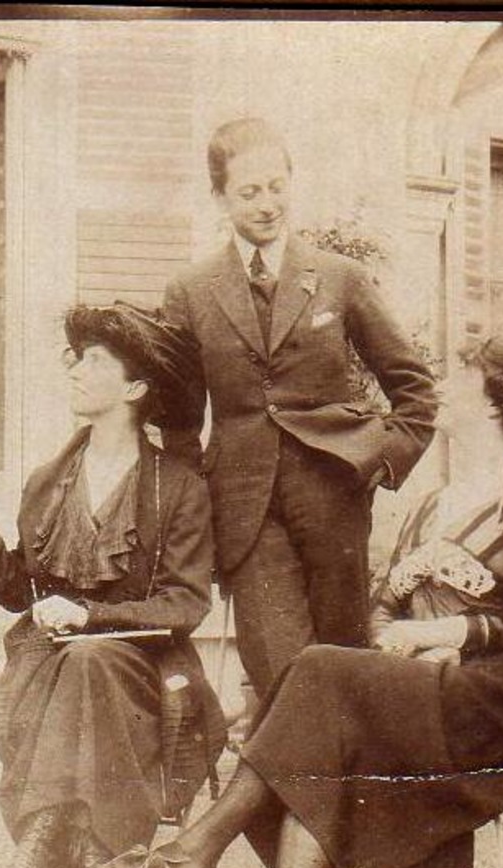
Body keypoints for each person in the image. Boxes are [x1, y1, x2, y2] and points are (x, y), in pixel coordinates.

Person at [95, 341, 503, 868]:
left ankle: (194, 852)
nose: (438, 392)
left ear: (493, 401)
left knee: (315, 671)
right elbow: (384, 603)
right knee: (320, 742)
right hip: (426, 692)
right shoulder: (434, 499)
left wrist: (448, 637)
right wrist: (391, 646)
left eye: (455, 381)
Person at [0, 303, 223, 868]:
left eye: (94, 362)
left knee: (90, 664)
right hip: (50, 670)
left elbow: (184, 606)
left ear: (136, 390)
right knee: (78, 673)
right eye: (75, 359)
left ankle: (39, 855)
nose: (75, 372)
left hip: (145, 668)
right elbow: (22, 586)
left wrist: (91, 615)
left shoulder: (179, 488)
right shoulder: (49, 482)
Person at [161, 116, 438, 700]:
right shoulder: (191, 289)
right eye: (249, 192)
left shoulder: (340, 277)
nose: (268, 204)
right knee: (282, 670)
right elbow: (180, 421)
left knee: (342, 662)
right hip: (243, 507)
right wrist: (195, 502)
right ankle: (303, 786)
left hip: (334, 494)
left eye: (277, 186)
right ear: (219, 197)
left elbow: (414, 387)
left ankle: (343, 791)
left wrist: (379, 461)